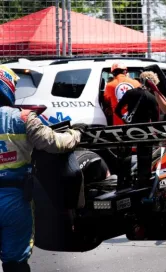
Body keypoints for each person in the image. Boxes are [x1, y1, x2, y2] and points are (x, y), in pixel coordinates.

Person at [0, 66, 85, 272]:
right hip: (14, 200)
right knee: (15, 261)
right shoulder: (21, 118)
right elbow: (56, 143)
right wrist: (77, 132)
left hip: (15, 195)